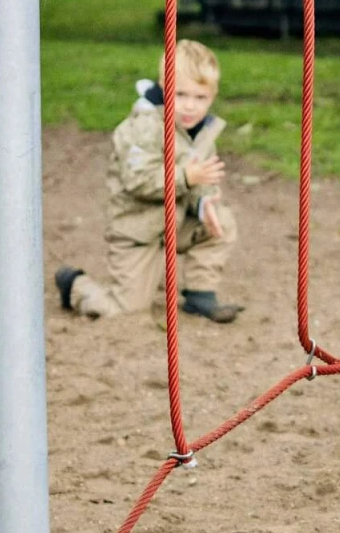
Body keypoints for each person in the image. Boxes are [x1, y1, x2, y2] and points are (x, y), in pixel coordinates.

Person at [56, 40, 244, 324]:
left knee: (222, 221)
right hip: (138, 231)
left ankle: (200, 294)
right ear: (163, 85)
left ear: (212, 96)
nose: (190, 106)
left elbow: (204, 177)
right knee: (125, 310)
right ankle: (75, 285)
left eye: (200, 97)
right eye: (180, 94)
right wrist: (185, 177)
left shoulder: (201, 129)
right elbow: (138, 180)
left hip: (174, 222)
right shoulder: (144, 126)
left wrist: (205, 202)